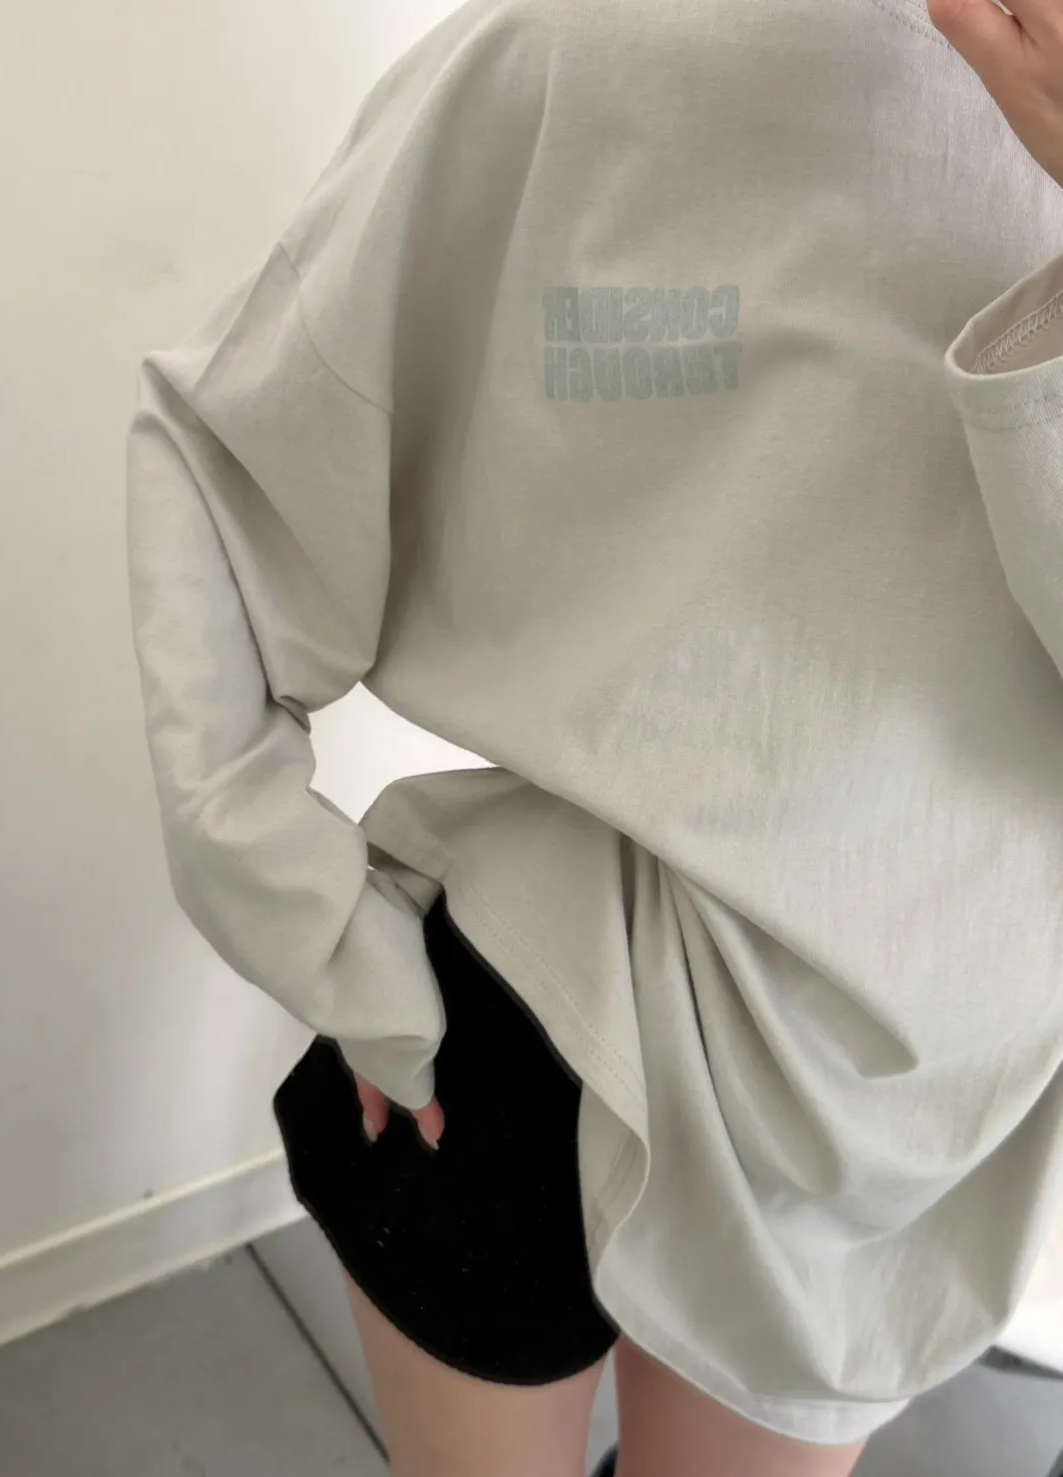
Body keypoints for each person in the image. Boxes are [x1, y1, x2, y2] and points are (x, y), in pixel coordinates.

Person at [125, 2, 1063, 1473]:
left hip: (896, 1121)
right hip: (534, 1004)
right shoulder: (585, 48)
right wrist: (313, 921)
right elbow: (225, 458)